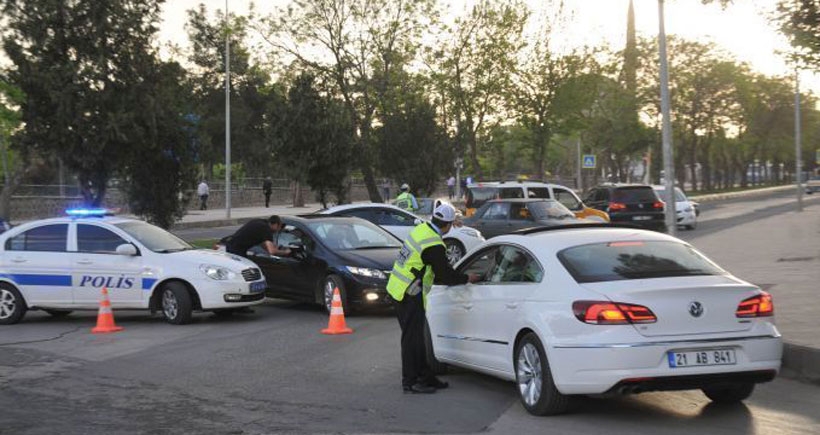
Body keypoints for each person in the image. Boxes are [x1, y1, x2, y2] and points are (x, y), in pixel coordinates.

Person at [387, 203, 480, 394]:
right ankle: (411, 382)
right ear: (447, 225)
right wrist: (467, 278)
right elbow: (445, 275)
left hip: (398, 288)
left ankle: (425, 377)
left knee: (417, 338)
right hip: (409, 293)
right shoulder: (434, 244)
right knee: (412, 340)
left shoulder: (422, 229)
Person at [225, 215, 291, 258]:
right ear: (276, 224)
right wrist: (285, 252)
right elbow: (272, 251)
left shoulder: (260, 222)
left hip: (231, 245)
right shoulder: (266, 229)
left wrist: (274, 247)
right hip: (236, 250)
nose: (278, 230)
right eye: (279, 228)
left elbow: (262, 244)